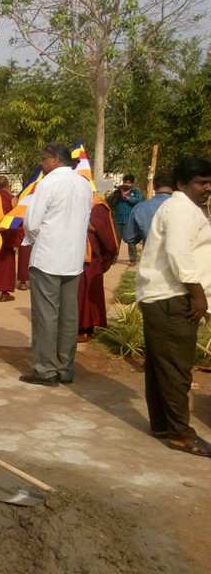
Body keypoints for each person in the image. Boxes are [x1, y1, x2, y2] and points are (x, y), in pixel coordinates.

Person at [136, 156, 211, 458]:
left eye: (209, 182)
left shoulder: (186, 208)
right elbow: (179, 254)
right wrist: (197, 294)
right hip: (173, 296)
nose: (207, 188)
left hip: (164, 295)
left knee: (160, 365)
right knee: (176, 368)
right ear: (182, 184)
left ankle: (164, 425)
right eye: (200, 182)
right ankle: (180, 433)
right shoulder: (181, 209)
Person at [19, 143, 92, 386]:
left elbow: (32, 221)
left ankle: (45, 370)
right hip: (73, 258)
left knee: (46, 316)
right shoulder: (83, 184)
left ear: (54, 160)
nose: (42, 163)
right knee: (68, 316)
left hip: (48, 257)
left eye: (44, 159)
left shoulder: (48, 183)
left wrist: (36, 238)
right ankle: (65, 367)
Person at [77, 192, 119, 342]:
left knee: (87, 292)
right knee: (81, 293)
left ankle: (85, 328)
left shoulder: (97, 206)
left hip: (89, 257)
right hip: (76, 256)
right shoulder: (80, 203)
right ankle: (82, 327)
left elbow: (105, 234)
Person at [123, 172, 174, 247]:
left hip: (150, 256)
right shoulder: (186, 206)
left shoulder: (140, 208)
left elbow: (129, 238)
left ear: (153, 186)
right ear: (174, 186)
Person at [109, 174, 142, 264]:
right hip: (118, 219)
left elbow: (138, 200)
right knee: (116, 241)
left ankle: (133, 260)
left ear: (132, 183)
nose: (127, 184)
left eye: (129, 183)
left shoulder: (136, 192)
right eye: (125, 182)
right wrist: (117, 194)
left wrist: (127, 197)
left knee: (131, 240)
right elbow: (110, 202)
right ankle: (113, 259)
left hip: (130, 220)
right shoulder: (118, 192)